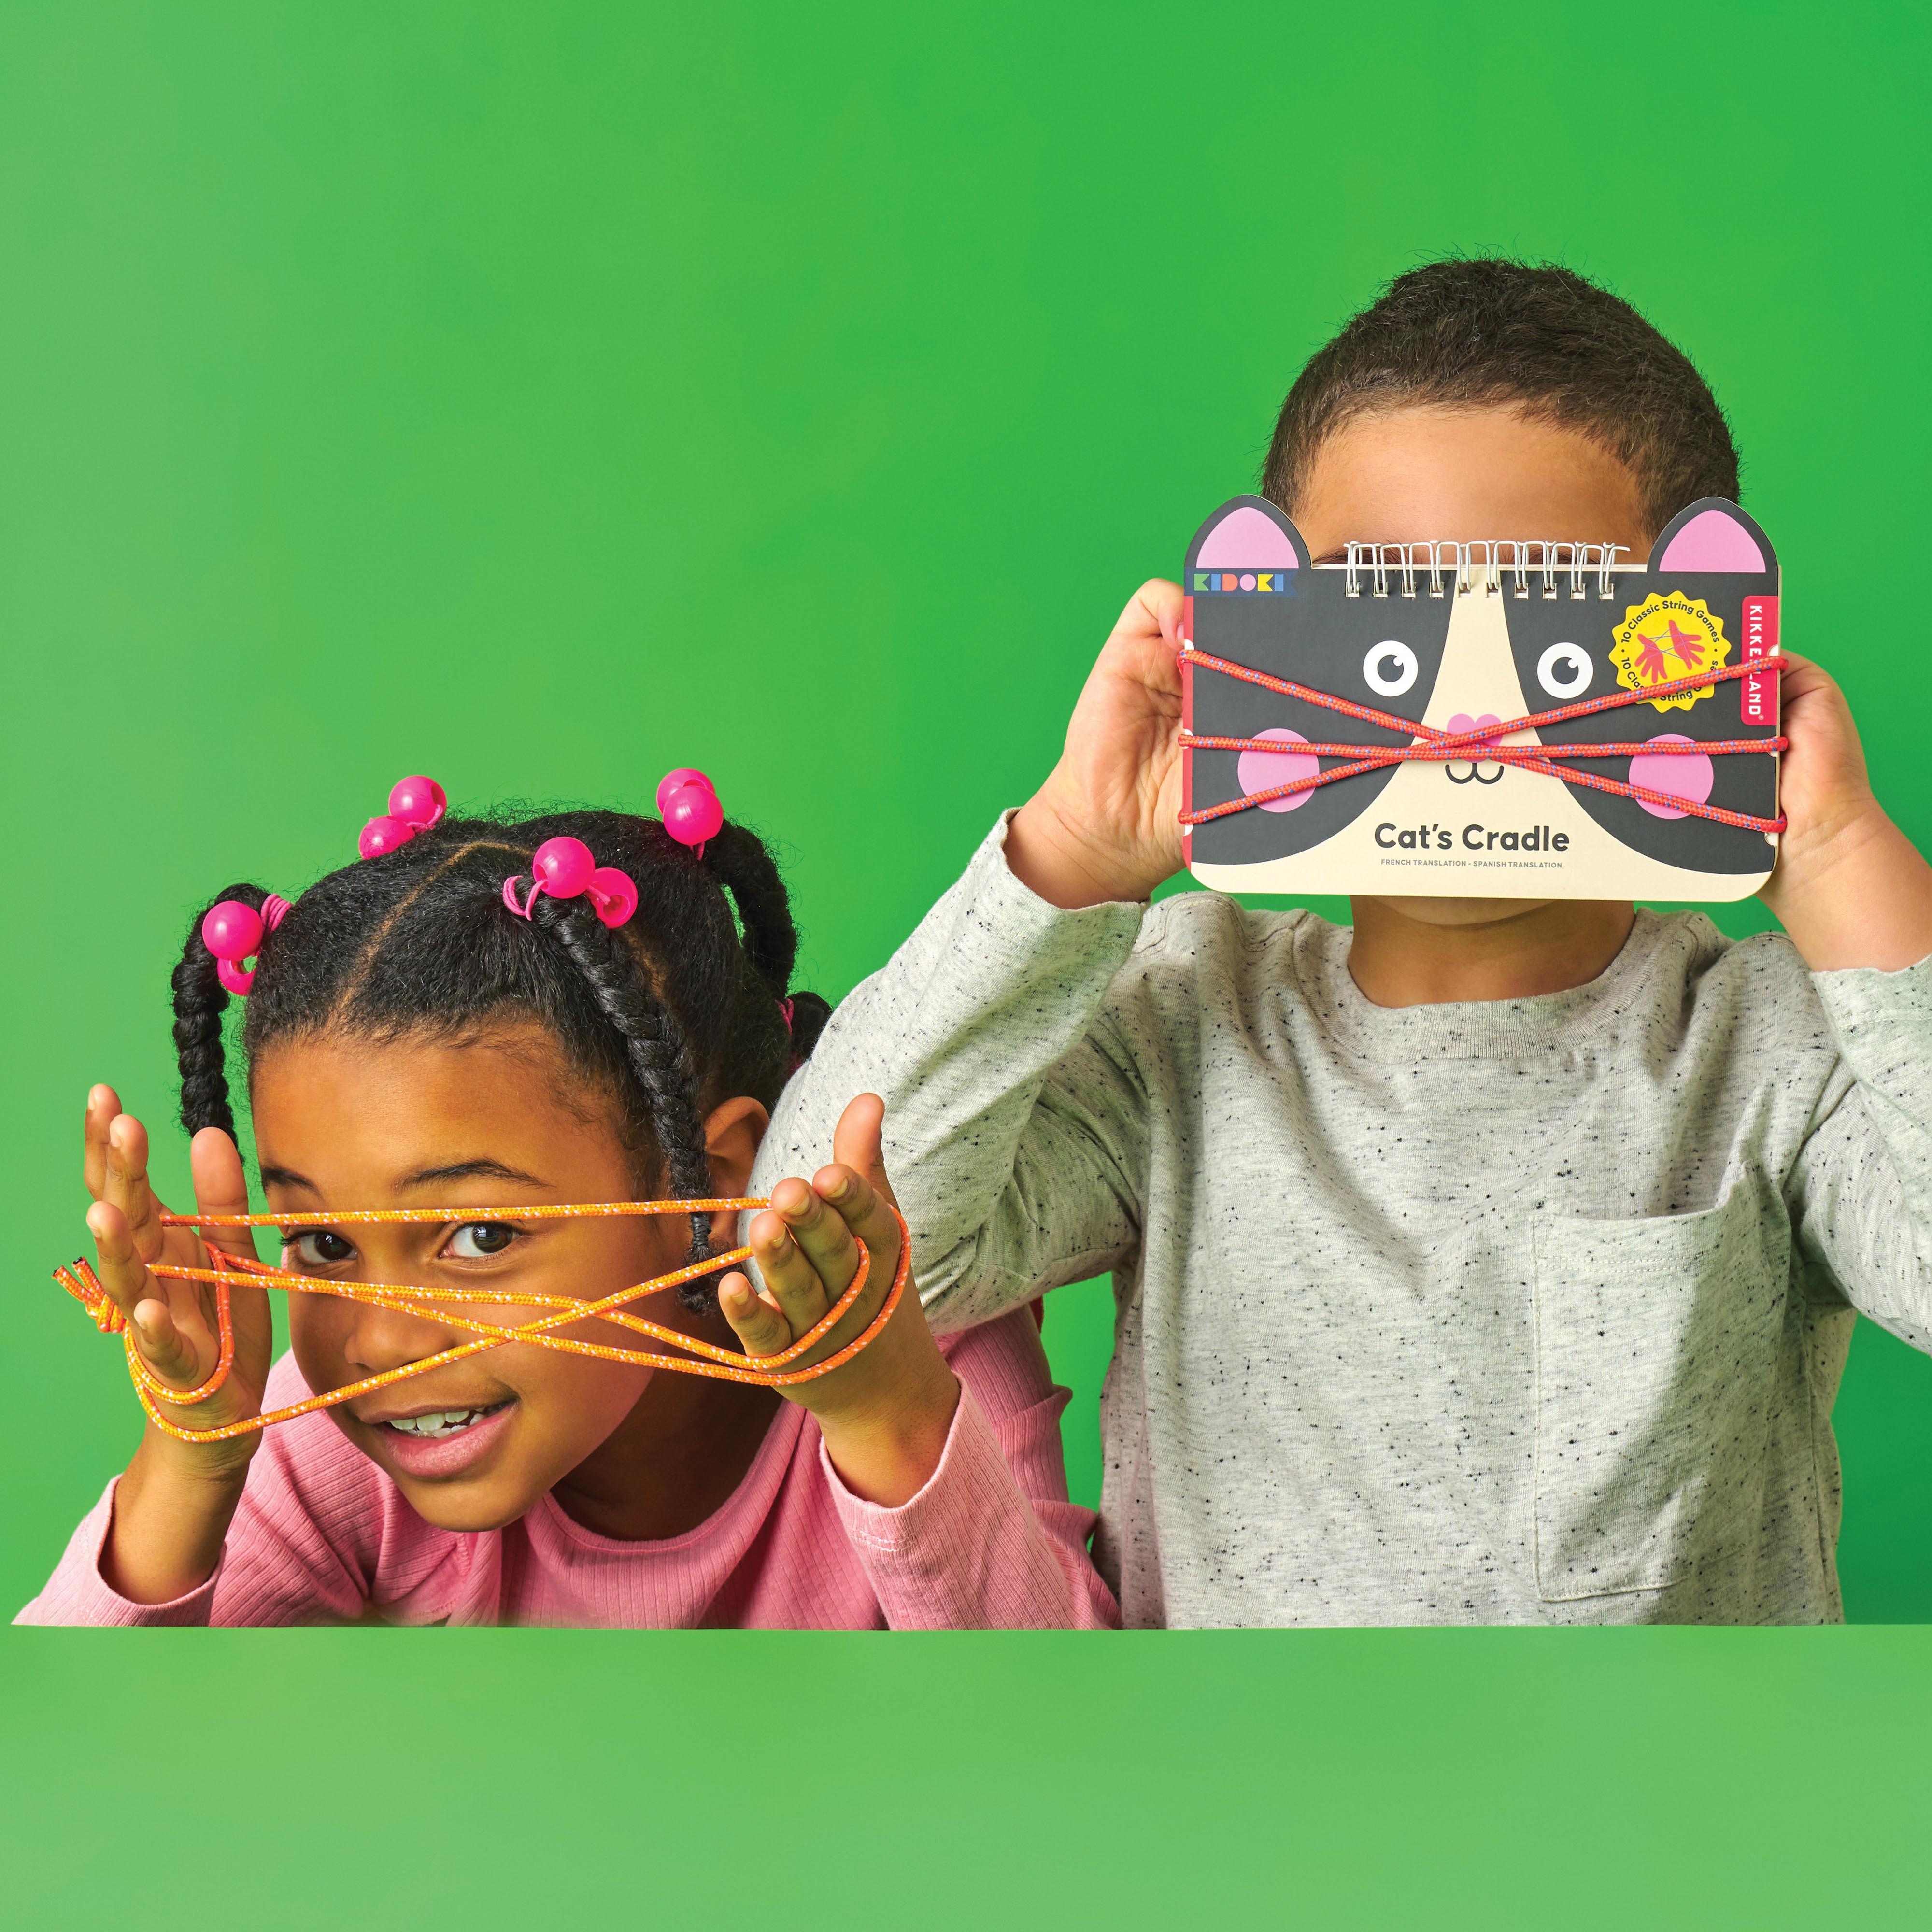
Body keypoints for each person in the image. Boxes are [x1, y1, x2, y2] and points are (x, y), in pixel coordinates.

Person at [761, 259, 1932, 1626]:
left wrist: (1844, 866)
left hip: (1660, 1768)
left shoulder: (1774, 1041)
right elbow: (846, 1241)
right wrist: (1071, 852)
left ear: (1706, 631)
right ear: (1264, 618)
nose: (1468, 713)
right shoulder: (1181, 1015)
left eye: (1556, 611)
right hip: (1241, 1767)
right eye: (1382, 610)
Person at [18, 782, 1115, 1627]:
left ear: (710, 1178)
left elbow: (1061, 1745)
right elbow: (69, 1771)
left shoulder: (916, 1349)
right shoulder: (339, 1425)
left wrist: (886, 1412)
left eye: (481, 1234)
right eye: (322, 1242)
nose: (382, 1340)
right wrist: (193, 1459)